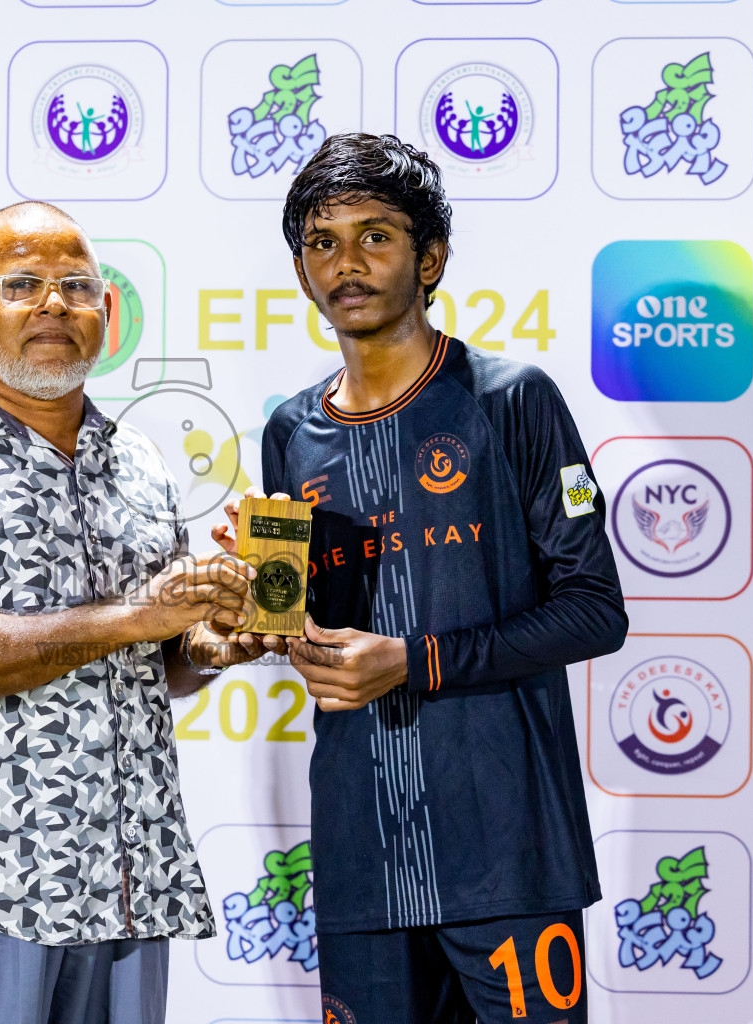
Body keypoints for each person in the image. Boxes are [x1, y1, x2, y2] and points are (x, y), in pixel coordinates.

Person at [211, 134, 629, 1024]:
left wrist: (413, 661)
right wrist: (254, 615)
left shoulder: (511, 399)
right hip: (362, 851)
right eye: (323, 242)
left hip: (508, 845)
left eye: (376, 236)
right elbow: (315, 630)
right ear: (299, 271)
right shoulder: (290, 430)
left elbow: (595, 612)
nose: (347, 263)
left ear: (430, 258)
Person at [0, 201, 256, 1024]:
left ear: (106, 313)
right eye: (22, 284)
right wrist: (134, 616)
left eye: (77, 286)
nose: (54, 305)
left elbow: (155, 665)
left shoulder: (138, 462)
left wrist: (210, 645)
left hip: (129, 891)